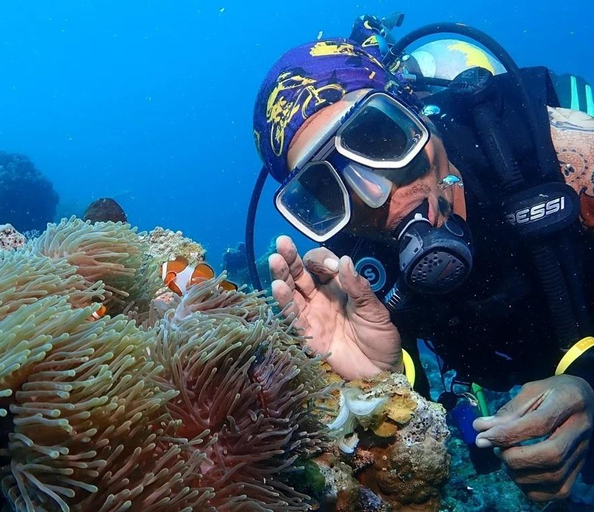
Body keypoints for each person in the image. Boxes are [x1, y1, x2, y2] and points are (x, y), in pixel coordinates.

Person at [251, 17, 594, 503]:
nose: (375, 194)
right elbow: (412, 436)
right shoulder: (354, 278)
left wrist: (590, 391)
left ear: (415, 113)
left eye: (375, 138)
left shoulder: (563, 151)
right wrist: (382, 379)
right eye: (327, 187)